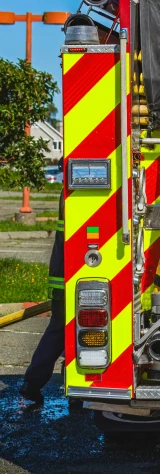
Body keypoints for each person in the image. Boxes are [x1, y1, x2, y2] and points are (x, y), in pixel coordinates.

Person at [19, 166, 64, 404]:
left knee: (61, 330)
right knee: (66, 329)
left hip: (64, 273)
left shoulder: (70, 188)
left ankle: (32, 383)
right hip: (69, 272)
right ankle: (33, 383)